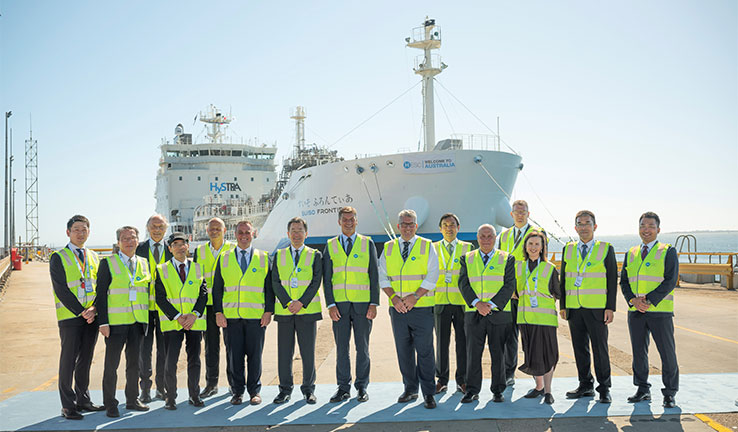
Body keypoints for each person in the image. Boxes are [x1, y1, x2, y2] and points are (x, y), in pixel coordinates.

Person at [379, 209, 439, 409]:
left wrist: (415, 296)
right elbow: (382, 276)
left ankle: (429, 393)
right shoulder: (388, 248)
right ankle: (410, 389)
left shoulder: (427, 246)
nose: (407, 227)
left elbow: (433, 275)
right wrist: (394, 298)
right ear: (398, 226)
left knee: (425, 352)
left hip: (421, 308)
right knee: (404, 351)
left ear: (416, 226)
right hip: (397, 309)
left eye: (410, 224)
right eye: (403, 224)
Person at [620, 211, 679, 408]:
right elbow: (624, 282)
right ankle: (642, 389)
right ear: (639, 229)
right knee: (638, 353)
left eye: (651, 226)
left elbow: (670, 280)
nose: (646, 230)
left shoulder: (667, 250)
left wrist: (649, 301)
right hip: (636, 312)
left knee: (667, 353)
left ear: (658, 229)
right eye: (643, 226)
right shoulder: (631, 252)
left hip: (660, 311)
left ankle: (670, 393)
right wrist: (632, 301)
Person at [213, 220, 274, 406]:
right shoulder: (224, 258)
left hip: (256, 318)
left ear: (253, 233)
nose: (244, 236)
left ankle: (254, 391)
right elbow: (217, 289)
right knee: (234, 357)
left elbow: (269, 288)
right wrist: (218, 312)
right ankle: (237, 392)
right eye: (240, 232)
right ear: (235, 234)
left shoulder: (263, 257)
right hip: (231, 318)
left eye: (247, 232)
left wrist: (269, 311)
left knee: (255, 357)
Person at [49, 215, 105, 420]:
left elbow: (101, 286)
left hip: (92, 316)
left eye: (84, 229)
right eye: (76, 230)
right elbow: (61, 289)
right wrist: (82, 311)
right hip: (71, 317)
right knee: (68, 361)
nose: (80, 233)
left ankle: (83, 400)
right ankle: (68, 405)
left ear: (89, 232)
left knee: (85, 360)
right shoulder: (59, 257)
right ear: (68, 233)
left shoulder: (93, 256)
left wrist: (94, 308)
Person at [322, 207, 379, 403]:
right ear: (339, 222)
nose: (348, 222)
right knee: (341, 349)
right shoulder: (330, 245)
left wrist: (374, 303)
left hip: (363, 306)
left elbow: (374, 275)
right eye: (345, 219)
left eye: (351, 219)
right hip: (340, 307)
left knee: (362, 348)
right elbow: (327, 278)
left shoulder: (367, 243)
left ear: (357, 221)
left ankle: (362, 387)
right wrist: (330, 304)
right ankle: (343, 388)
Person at [560, 210, 618, 403]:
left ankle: (604, 388)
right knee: (580, 348)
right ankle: (585, 385)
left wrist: (610, 308)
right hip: (574, 308)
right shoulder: (568, 249)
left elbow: (611, 280)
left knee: (600, 349)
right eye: (580, 223)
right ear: (575, 227)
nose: (584, 227)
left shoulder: (605, 248)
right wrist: (563, 305)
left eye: (587, 223)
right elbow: (563, 279)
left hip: (597, 308)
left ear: (595, 226)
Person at [96, 226, 152, 417]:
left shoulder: (144, 263)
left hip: (137, 322)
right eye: (125, 239)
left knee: (134, 364)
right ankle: (110, 403)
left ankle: (132, 399)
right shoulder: (107, 263)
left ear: (138, 240)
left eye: (133, 238)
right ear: (118, 242)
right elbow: (101, 295)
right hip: (115, 323)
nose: (129, 242)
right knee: (111, 365)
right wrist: (102, 322)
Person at [458, 224, 516, 403]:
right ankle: (472, 390)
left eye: (489, 236)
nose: (486, 239)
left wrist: (490, 305)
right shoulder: (467, 258)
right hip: (474, 313)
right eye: (482, 236)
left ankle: (498, 390)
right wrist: (477, 304)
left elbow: (509, 285)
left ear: (495, 237)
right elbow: (463, 284)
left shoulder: (507, 258)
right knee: (473, 354)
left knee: (498, 353)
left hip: (498, 313)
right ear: (477, 238)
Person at [271, 217, 323, 405]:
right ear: (288, 234)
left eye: (300, 230)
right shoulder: (279, 255)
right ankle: (285, 390)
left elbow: (316, 281)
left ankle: (308, 390)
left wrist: (301, 302)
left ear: (306, 233)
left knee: (307, 352)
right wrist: (287, 302)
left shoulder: (315, 255)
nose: (296, 234)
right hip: (285, 312)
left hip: (307, 312)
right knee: (284, 353)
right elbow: (275, 282)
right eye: (293, 230)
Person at [155, 232, 208, 410]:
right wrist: (178, 317)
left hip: (194, 322)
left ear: (188, 245)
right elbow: (160, 298)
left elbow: (203, 295)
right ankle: (170, 397)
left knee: (195, 360)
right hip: (173, 323)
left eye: (182, 243)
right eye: (175, 244)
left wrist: (194, 314)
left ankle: (194, 395)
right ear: (170, 248)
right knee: (170, 361)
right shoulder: (161, 269)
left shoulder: (198, 268)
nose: (179, 247)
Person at [497, 199, 546, 386]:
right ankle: (509, 373)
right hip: (509, 295)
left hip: (529, 292)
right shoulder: (504, 236)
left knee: (532, 336)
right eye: (516, 211)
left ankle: (537, 374)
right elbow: (500, 265)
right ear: (511, 214)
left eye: (523, 211)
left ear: (528, 213)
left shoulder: (538, 234)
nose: (519, 214)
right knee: (509, 336)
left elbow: (542, 263)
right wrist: (508, 291)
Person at [516, 230, 560, 405]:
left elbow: (557, 292)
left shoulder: (550, 268)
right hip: (526, 319)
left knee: (548, 355)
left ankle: (548, 391)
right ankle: (539, 387)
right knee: (532, 355)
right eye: (530, 244)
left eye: (537, 244)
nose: (533, 247)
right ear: (525, 247)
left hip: (545, 320)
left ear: (542, 248)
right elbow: (514, 291)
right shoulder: (518, 267)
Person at [194, 217, 236, 399]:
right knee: (211, 347)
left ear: (225, 230)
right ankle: (211, 383)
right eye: (211, 229)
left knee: (232, 346)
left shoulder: (234, 249)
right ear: (207, 230)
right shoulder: (199, 251)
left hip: (228, 304)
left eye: (218, 228)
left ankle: (234, 384)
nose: (214, 231)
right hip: (208, 306)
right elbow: (195, 280)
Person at [432, 213, 473, 394]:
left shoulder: (468, 248)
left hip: (462, 303)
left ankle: (462, 379)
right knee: (441, 343)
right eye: (445, 225)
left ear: (458, 227)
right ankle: (441, 379)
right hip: (439, 303)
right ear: (440, 229)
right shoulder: (432, 248)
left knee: (462, 342)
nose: (449, 228)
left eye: (453, 225)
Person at [135, 214, 172, 403]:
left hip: (166, 309)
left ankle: (162, 387)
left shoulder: (172, 249)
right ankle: (145, 389)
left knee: (164, 350)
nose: (157, 230)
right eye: (154, 226)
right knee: (145, 350)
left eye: (161, 227)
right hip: (145, 309)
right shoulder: (138, 249)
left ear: (166, 229)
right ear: (147, 228)